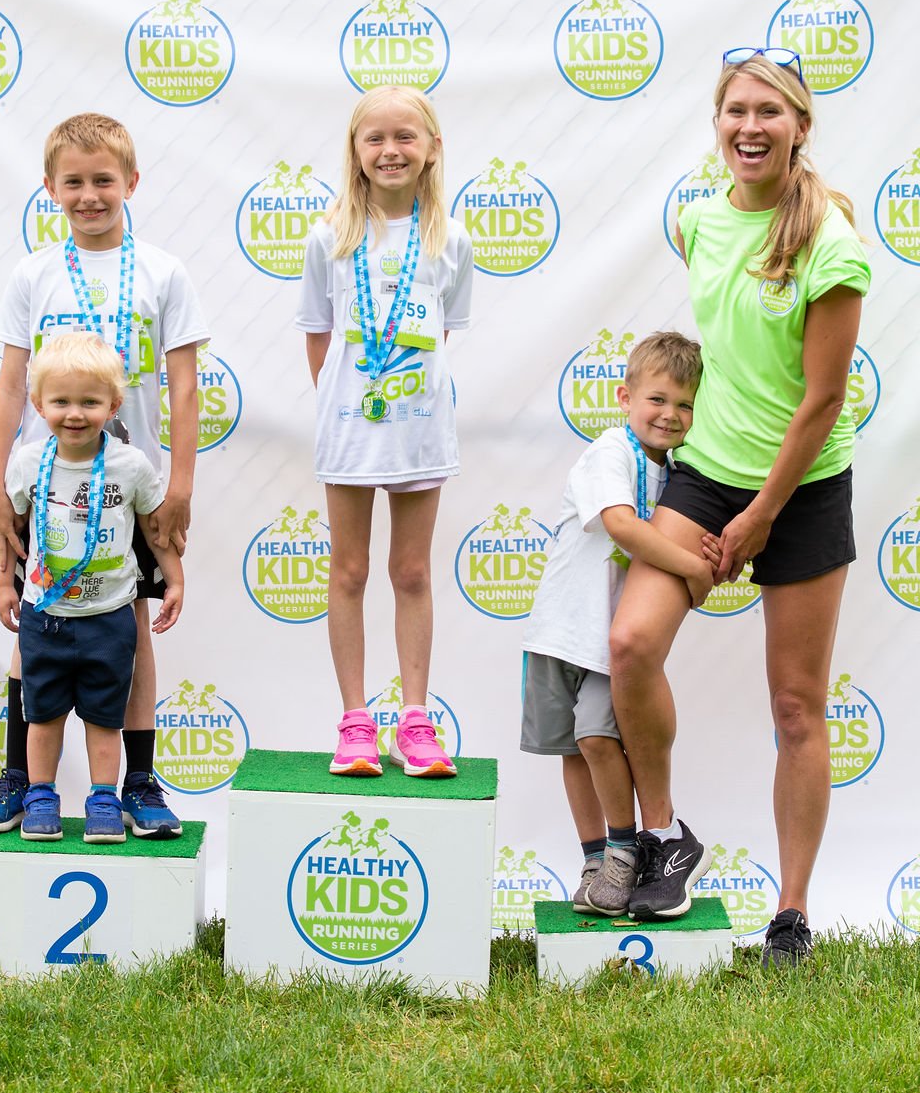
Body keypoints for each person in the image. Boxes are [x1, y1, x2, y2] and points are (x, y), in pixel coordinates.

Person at [609, 48, 870, 964]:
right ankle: (664, 835)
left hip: (802, 488)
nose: (750, 128)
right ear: (718, 123)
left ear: (800, 126)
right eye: (736, 111)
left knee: (797, 707)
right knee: (630, 643)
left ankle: (791, 915)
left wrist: (760, 515)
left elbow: (823, 401)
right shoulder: (700, 222)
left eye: (769, 112)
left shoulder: (831, 243)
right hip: (708, 475)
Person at [0, 111, 208, 838]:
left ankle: (139, 782)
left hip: (131, 487)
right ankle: (18, 778)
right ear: (50, 188)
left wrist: (181, 485)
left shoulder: (164, 272)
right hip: (46, 486)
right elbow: (11, 386)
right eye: (74, 182)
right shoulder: (33, 274)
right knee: (33, 619)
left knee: (132, 627)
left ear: (131, 181)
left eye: (104, 180)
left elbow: (184, 386)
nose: (90, 195)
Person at [296, 86, 473, 777]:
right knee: (348, 571)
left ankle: (416, 720)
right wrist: (349, 402)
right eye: (375, 138)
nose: (390, 150)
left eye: (405, 137)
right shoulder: (330, 237)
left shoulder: (449, 240)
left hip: (420, 430)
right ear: (355, 150)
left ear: (432, 149)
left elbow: (443, 335)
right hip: (349, 431)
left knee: (412, 572)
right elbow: (318, 338)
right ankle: (355, 722)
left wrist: (401, 399)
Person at [521, 333, 717, 919]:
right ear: (625, 397)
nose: (670, 414)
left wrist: (703, 556)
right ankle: (594, 860)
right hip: (559, 630)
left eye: (685, 404)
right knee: (570, 749)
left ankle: (624, 850)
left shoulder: (680, 477)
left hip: (610, 642)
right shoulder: (611, 450)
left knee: (596, 737)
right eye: (657, 399)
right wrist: (694, 569)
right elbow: (622, 525)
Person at [0, 335, 183, 842]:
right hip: (44, 617)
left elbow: (155, 530)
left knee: (104, 719)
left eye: (89, 402)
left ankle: (104, 799)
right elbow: (11, 533)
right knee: (43, 716)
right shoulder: (27, 462)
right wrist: (4, 586)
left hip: (110, 618)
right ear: (39, 404)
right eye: (60, 401)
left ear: (114, 405)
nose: (75, 414)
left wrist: (175, 579)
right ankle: (40, 795)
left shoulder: (130, 465)